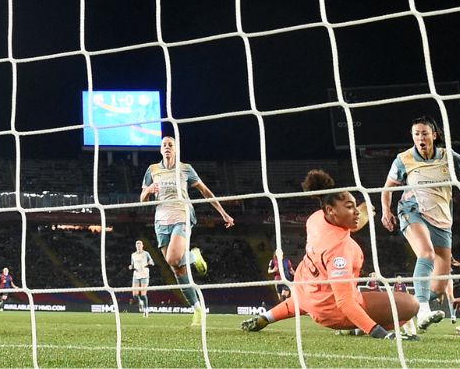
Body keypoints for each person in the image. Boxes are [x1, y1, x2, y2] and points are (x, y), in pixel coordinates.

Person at [241, 170, 419, 340]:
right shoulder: (338, 251)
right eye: (350, 207)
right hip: (334, 312)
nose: (356, 211)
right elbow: (344, 303)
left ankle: (266, 317)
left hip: (306, 292)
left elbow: (300, 301)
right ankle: (359, 327)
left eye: (355, 206)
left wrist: (268, 317)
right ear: (331, 210)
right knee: (411, 305)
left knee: (313, 293)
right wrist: (378, 333)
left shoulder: (316, 219)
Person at [381, 115, 460, 331]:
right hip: (412, 211)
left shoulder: (448, 157)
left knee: (440, 285)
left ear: (434, 135)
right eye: (416, 134)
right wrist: (386, 211)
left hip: (442, 221)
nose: (420, 137)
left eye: (424, 133)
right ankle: (423, 310)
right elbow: (387, 188)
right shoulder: (403, 159)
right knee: (426, 254)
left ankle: (397, 308)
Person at [140, 136, 235, 326]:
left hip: (182, 214)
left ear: (176, 149)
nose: (167, 147)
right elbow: (142, 199)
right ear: (160, 150)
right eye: (164, 145)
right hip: (161, 220)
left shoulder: (186, 169)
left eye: (170, 145)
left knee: (173, 259)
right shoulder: (152, 170)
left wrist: (223, 213)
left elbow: (205, 191)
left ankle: (192, 256)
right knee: (177, 269)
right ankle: (198, 309)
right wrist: (149, 189)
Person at [129, 240, 155, 317]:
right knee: (134, 295)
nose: (138, 245)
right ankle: (140, 302)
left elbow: (152, 262)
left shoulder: (146, 253)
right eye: (137, 244)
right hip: (136, 275)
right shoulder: (133, 255)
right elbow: (132, 265)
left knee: (143, 294)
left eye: (140, 244)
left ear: (142, 245)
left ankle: (146, 311)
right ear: (135, 246)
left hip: (144, 274)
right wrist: (131, 267)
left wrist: (151, 263)